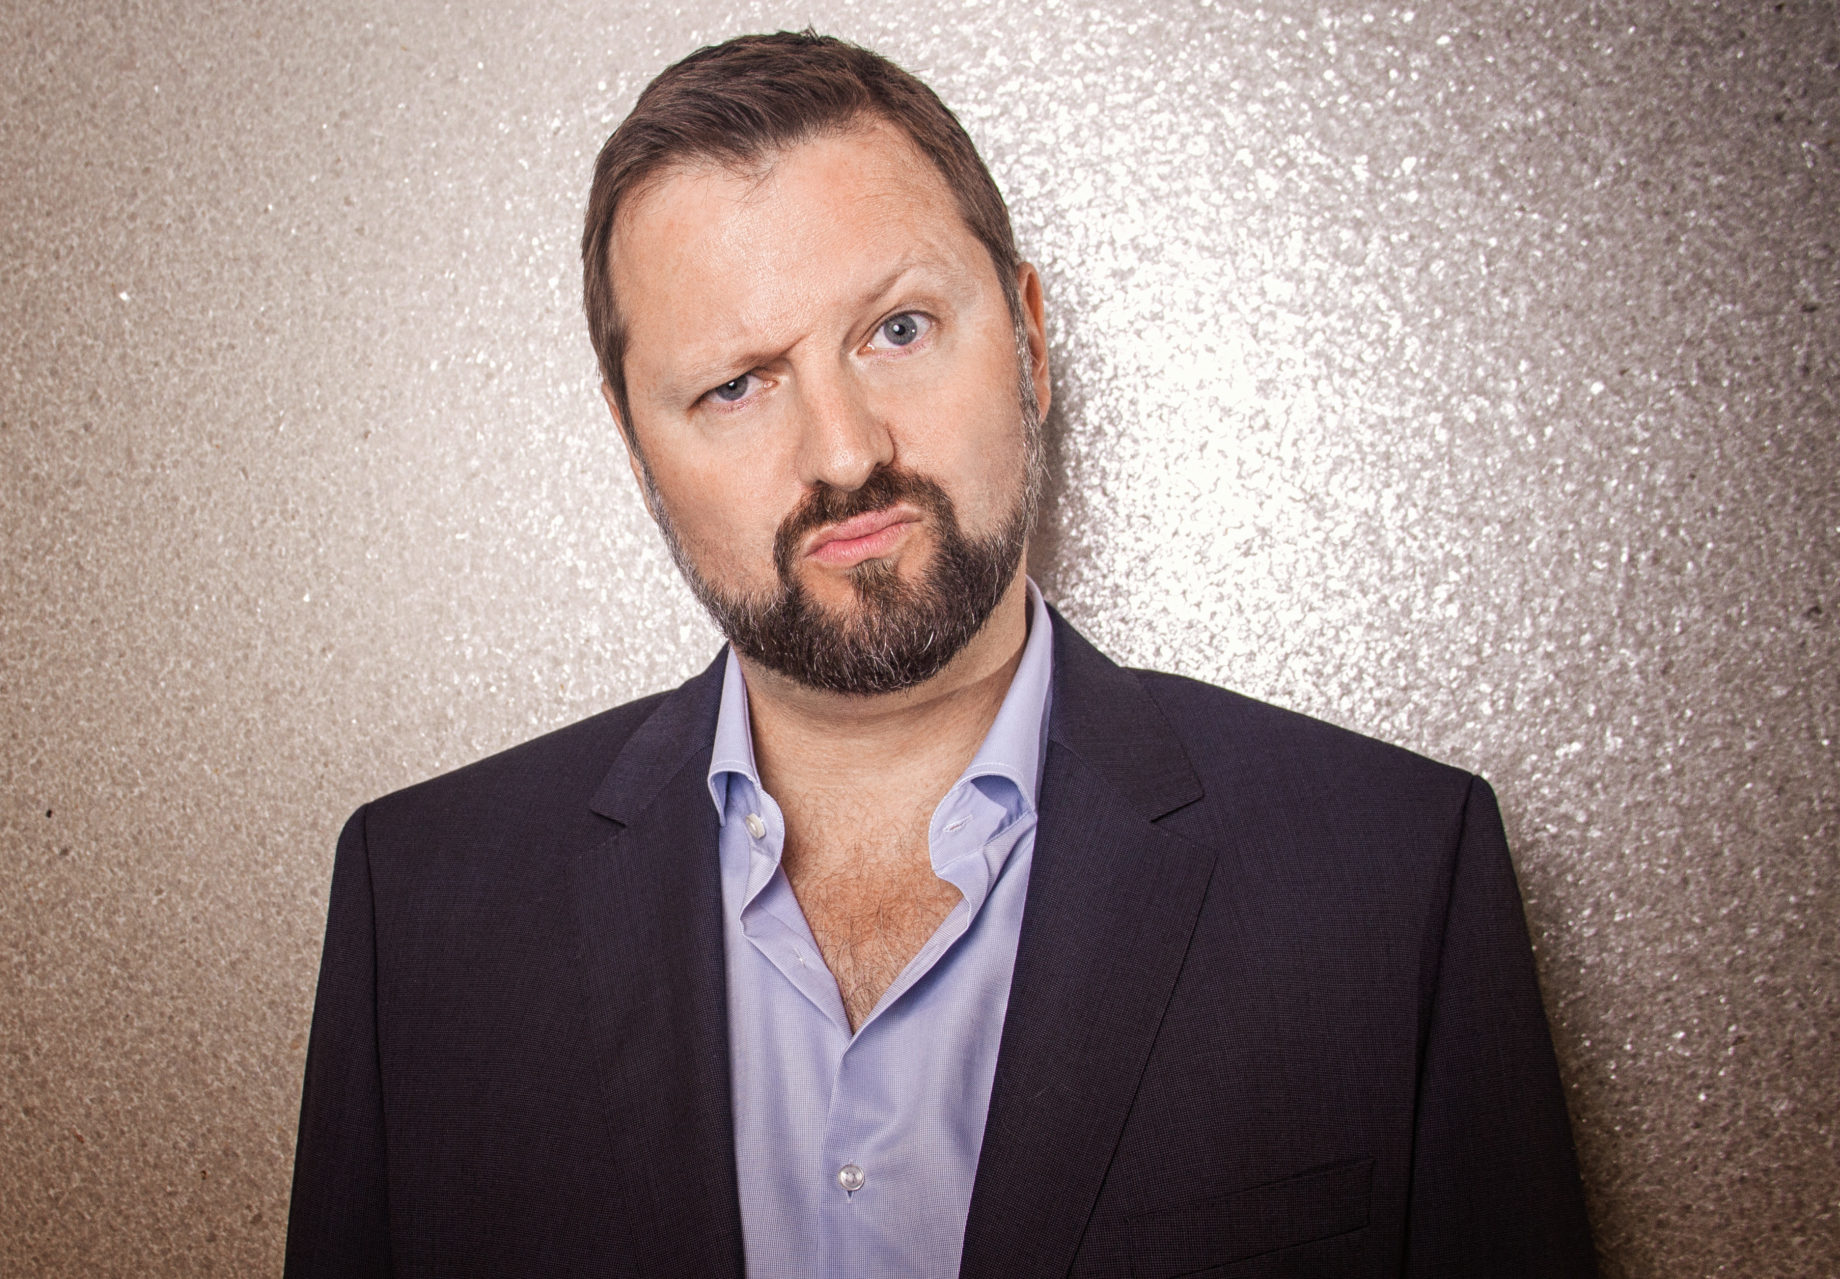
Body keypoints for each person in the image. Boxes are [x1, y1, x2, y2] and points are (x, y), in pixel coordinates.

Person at [284, 31, 1595, 1279]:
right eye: (735, 385)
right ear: (638, 452)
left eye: (899, 329)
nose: (846, 451)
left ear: (1029, 337)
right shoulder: (424, 917)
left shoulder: (1393, 880)